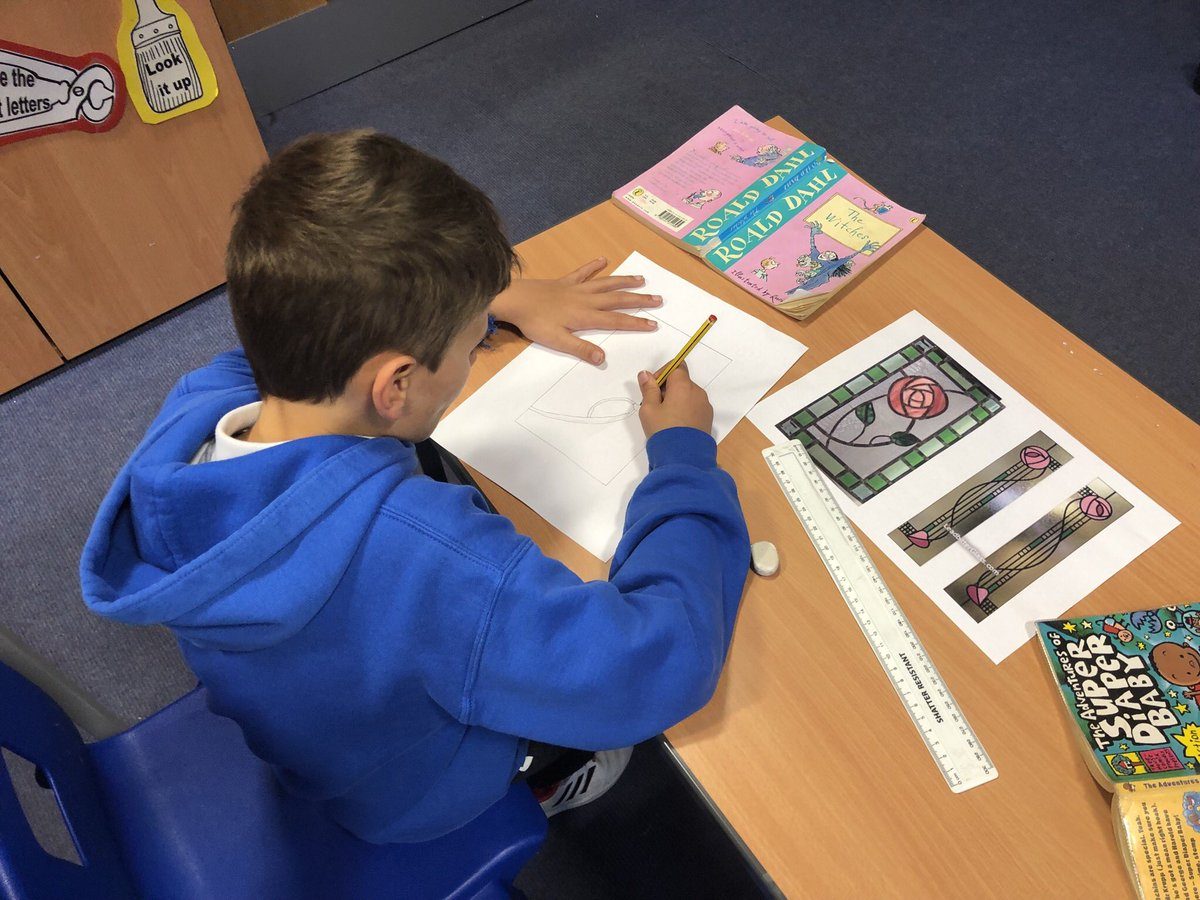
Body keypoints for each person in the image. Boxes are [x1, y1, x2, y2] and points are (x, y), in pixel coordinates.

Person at [80, 130, 750, 843]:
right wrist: (683, 457)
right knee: (597, 716)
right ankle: (552, 779)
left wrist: (486, 298)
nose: (476, 347)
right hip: (417, 794)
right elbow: (653, 662)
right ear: (395, 385)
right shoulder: (432, 559)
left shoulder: (198, 411)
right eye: (471, 342)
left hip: (321, 734)